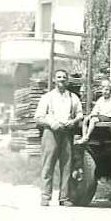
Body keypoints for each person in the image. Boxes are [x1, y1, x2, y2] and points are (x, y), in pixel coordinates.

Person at [34, 69, 83, 206]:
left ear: (67, 80)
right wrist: (51, 123)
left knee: (66, 165)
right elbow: (38, 117)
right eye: (59, 77)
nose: (61, 80)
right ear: (55, 80)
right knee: (48, 165)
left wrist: (73, 121)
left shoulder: (73, 97)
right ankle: (45, 196)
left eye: (64, 77)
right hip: (51, 132)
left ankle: (64, 198)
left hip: (67, 132)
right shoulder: (47, 97)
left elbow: (80, 114)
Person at [77, 79, 111, 145]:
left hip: (110, 117)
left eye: (107, 90)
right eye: (104, 90)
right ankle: (84, 136)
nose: (105, 92)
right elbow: (95, 110)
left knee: (93, 120)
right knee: (86, 120)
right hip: (101, 116)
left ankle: (87, 136)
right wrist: (90, 115)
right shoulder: (100, 100)